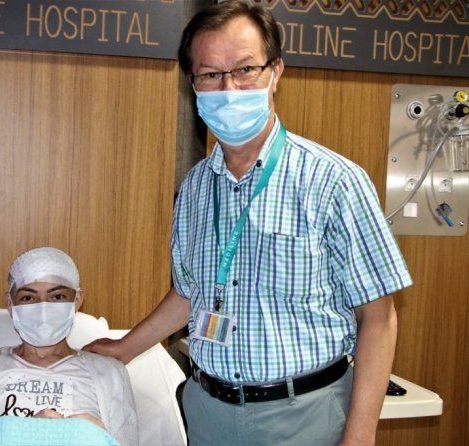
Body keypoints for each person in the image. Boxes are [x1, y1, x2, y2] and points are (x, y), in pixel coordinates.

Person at [85, 2, 412, 445]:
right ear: (193, 84)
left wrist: (359, 437)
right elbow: (190, 292)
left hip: (305, 417)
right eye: (211, 74)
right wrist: (125, 348)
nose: (229, 89)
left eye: (245, 69)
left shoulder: (333, 180)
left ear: (275, 72)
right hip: (207, 411)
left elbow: (378, 319)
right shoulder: (196, 187)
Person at [0, 247, 139, 446]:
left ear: (77, 300)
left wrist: (90, 434)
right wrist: (24, 433)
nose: (43, 309)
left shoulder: (108, 372)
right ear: (10, 304)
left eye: (57, 296)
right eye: (28, 298)